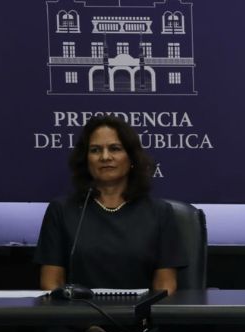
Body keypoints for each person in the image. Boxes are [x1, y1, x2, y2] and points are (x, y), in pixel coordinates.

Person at [35, 114, 187, 293]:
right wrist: (82, 319)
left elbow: (165, 287)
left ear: (131, 158)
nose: (105, 157)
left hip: (139, 318)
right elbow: (50, 283)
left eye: (115, 148)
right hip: (78, 318)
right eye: (95, 150)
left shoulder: (160, 213)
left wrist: (141, 318)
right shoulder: (61, 211)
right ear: (86, 160)